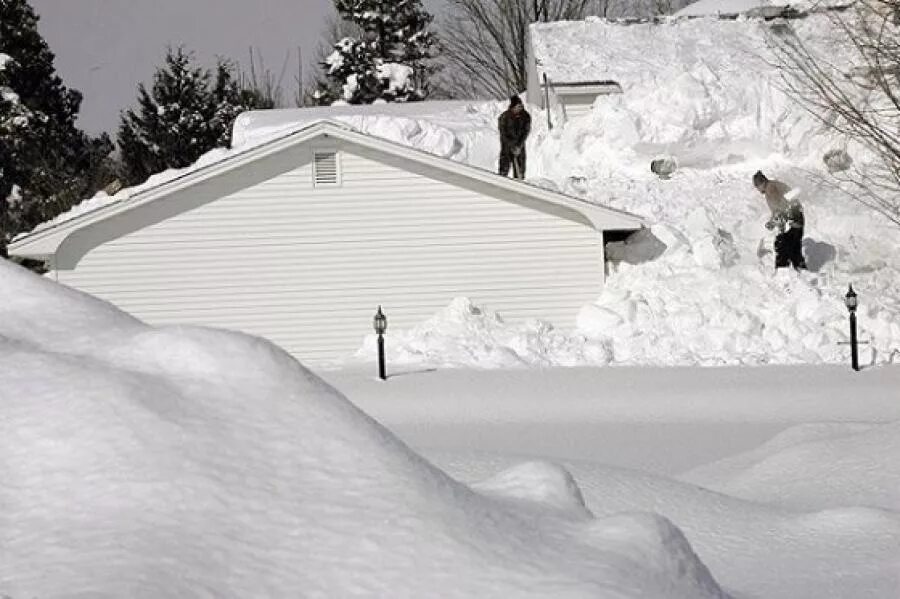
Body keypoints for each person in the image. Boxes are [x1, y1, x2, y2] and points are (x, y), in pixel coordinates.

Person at [753, 170, 807, 270]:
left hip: (794, 215)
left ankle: (783, 271)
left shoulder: (770, 188)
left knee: (782, 243)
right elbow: (777, 210)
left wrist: (778, 221)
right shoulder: (770, 188)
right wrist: (772, 222)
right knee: (791, 245)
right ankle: (798, 270)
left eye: (757, 186)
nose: (757, 189)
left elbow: (781, 206)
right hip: (795, 216)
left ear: (762, 183)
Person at [498, 96, 531, 179]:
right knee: (504, 168)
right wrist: (511, 145)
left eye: (521, 106)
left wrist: (519, 146)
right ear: (513, 107)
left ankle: (519, 182)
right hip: (507, 145)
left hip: (519, 145)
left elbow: (525, 131)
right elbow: (503, 133)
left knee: (520, 169)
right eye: (518, 106)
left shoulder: (525, 116)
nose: (520, 108)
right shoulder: (504, 117)